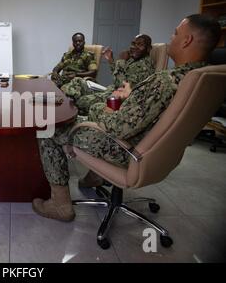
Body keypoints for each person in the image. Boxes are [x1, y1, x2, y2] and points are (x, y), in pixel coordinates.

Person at [32, 14, 221, 222]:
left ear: (187, 40)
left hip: (126, 148)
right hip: (154, 151)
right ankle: (95, 176)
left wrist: (98, 108)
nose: (171, 37)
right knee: (81, 115)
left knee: (49, 129)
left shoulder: (164, 81)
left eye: (176, 33)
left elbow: (120, 128)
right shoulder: (200, 78)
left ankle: (60, 205)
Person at [61, 34, 155, 116]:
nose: (134, 47)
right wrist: (110, 60)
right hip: (108, 90)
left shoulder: (144, 66)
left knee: (82, 101)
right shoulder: (134, 59)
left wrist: (121, 61)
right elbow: (119, 76)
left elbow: (121, 87)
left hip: (116, 99)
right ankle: (66, 104)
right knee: (77, 81)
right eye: (133, 43)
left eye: (140, 45)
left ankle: (68, 110)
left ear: (148, 49)